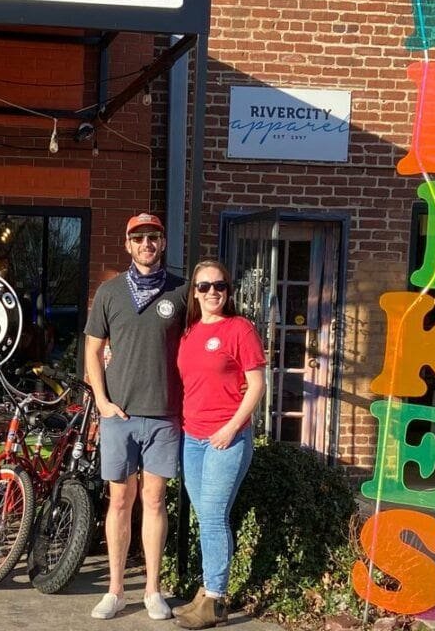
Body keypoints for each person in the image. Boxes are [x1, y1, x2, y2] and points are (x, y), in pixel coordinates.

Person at [84, 213, 188, 621]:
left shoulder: (180, 292)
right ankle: (114, 591)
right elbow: (92, 351)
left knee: (155, 500)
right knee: (120, 501)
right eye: (139, 237)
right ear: (128, 244)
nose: (147, 244)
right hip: (119, 417)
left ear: (162, 243)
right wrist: (102, 402)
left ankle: (151, 590)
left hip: (164, 415)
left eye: (154, 237)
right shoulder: (109, 292)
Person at [173, 260, 266, 630]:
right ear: (194, 292)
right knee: (207, 515)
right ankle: (208, 590)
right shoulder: (189, 332)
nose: (212, 292)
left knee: (211, 517)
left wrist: (232, 428)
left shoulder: (239, 329)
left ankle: (215, 598)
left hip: (225, 439)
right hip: (192, 438)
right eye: (204, 286)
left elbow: (256, 384)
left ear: (228, 290)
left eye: (219, 285)